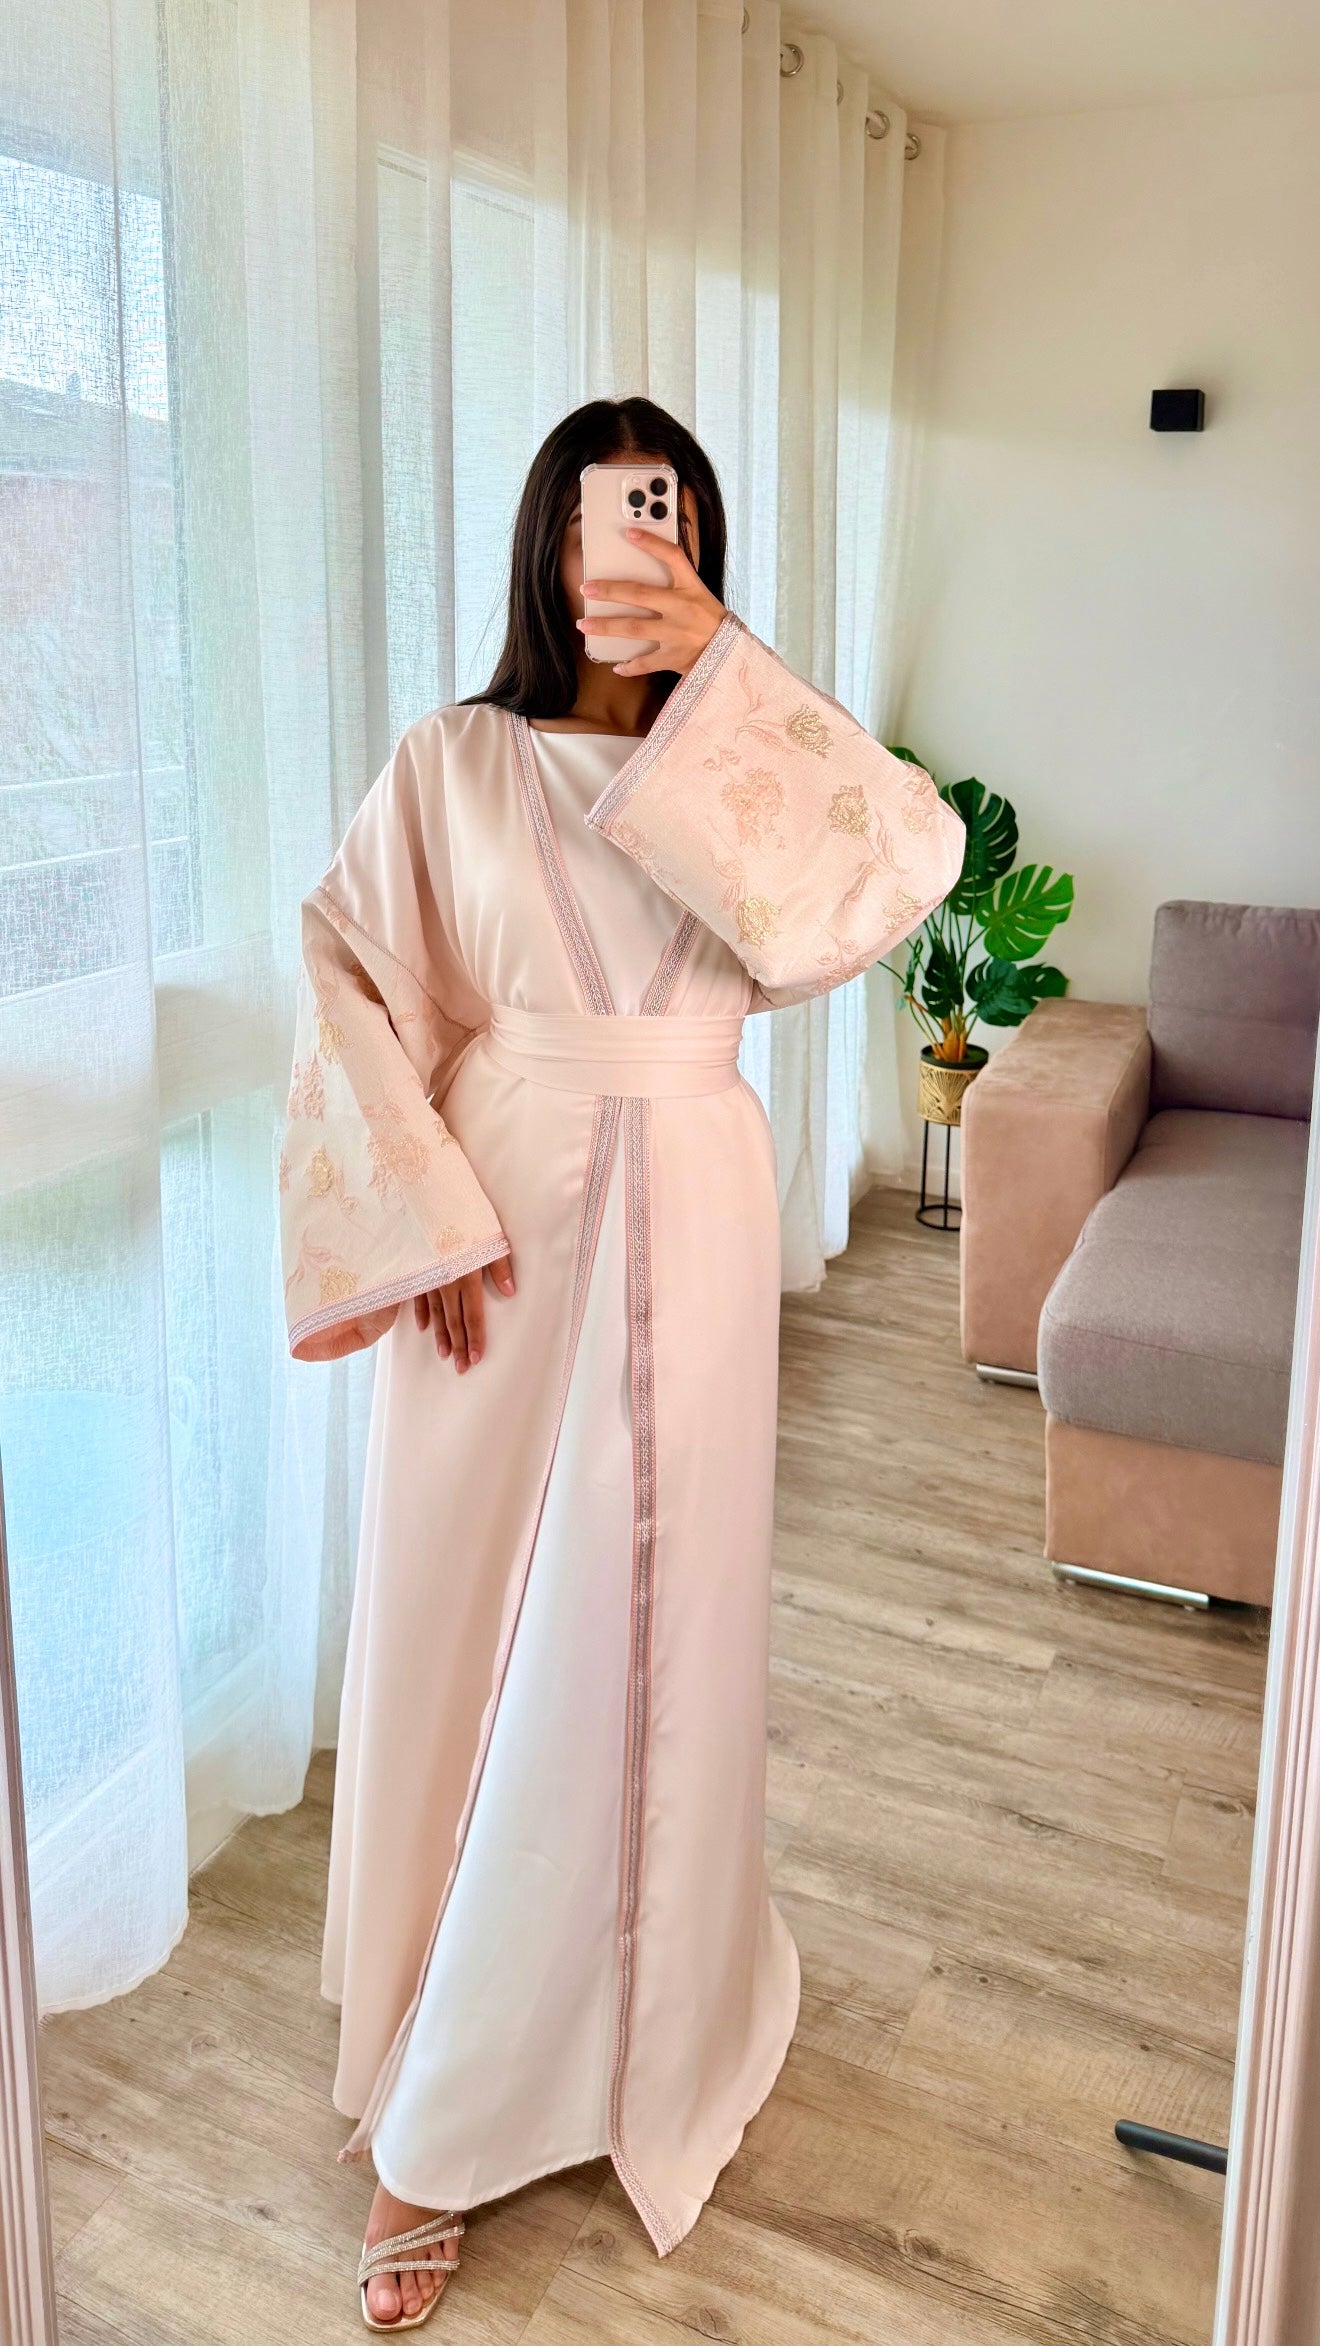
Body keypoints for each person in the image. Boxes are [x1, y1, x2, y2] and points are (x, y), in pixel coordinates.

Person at [279, 396, 964, 2329]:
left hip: (704, 1208)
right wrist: (417, 1213)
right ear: (547, 539)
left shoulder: (740, 762)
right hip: (495, 1227)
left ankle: (648, 2017)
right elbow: (349, 967)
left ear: (702, 547)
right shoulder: (452, 763)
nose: (636, 553)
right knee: (484, 1631)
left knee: (657, 1640)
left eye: (674, 523)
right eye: (609, 518)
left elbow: (898, 863)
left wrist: (731, 676)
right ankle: (434, 2099)